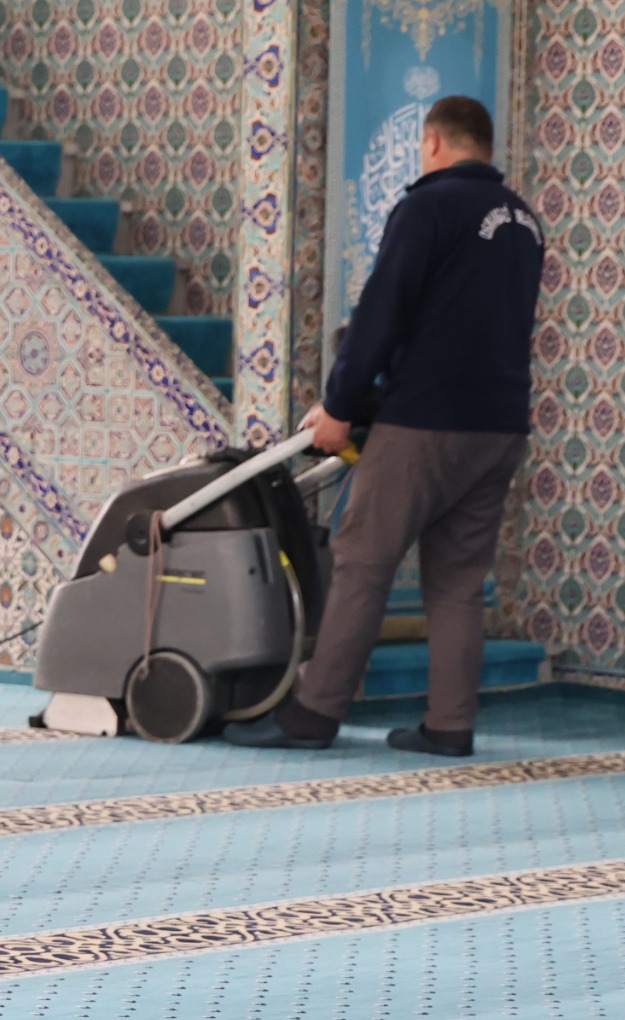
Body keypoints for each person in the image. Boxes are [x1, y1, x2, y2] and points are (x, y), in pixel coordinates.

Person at [225, 95, 544, 757]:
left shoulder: (428, 207)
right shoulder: (524, 221)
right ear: (487, 148)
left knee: (362, 562)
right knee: (458, 583)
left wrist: (340, 406)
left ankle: (314, 713)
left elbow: (383, 311)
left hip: (426, 423)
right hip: (501, 427)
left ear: (433, 143)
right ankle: (450, 725)